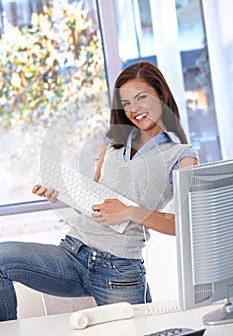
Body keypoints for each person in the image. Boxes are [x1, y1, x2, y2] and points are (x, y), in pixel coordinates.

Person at [0, 61, 199, 321]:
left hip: (119, 271)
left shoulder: (182, 155)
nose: (134, 109)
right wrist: (59, 193)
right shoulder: (112, 146)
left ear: (161, 95)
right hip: (72, 254)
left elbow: (184, 223)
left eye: (141, 98)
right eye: (126, 103)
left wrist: (128, 212)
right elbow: (94, 205)